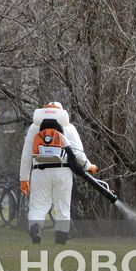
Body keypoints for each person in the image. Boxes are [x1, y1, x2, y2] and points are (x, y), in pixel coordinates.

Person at [18, 102, 99, 244]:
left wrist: (24, 178)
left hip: (40, 171)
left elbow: (26, 155)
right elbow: (78, 154)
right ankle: (60, 241)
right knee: (62, 208)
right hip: (62, 171)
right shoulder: (69, 127)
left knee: (38, 206)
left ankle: (35, 229)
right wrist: (89, 166)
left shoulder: (34, 127)